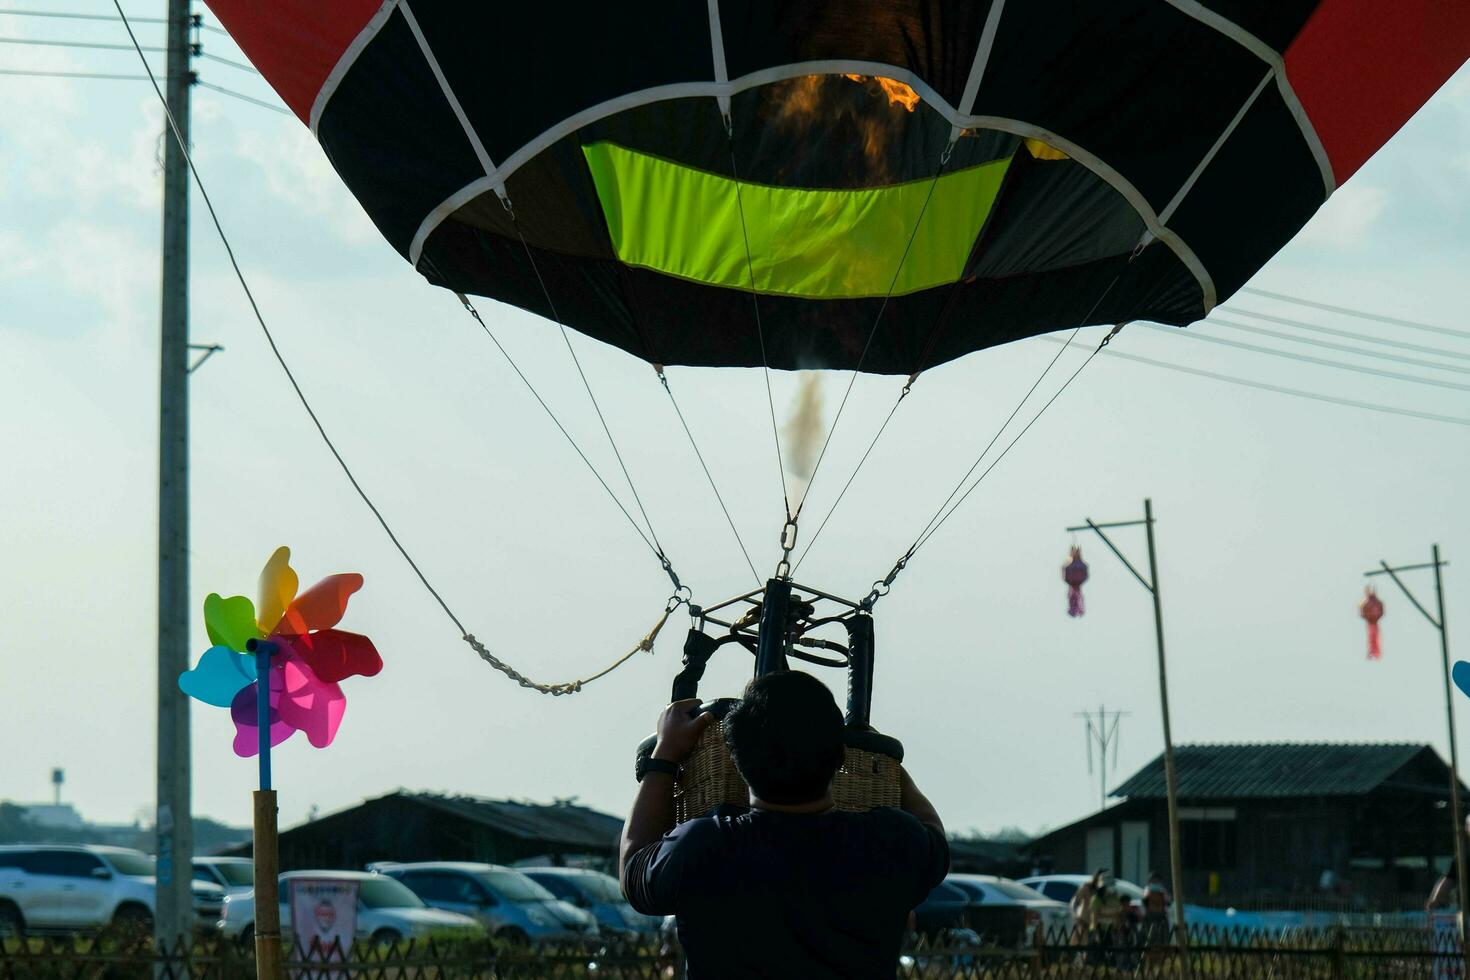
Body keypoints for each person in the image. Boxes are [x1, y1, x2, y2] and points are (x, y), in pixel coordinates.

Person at [619, 671, 949, 979]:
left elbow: (634, 869)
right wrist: (880, 756)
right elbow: (933, 831)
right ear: (842, 757)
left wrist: (664, 755)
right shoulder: (890, 841)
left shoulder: (704, 846)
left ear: (736, 760)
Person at [1142, 870, 1172, 946]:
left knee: (1163, 938)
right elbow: (1144, 900)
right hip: (1150, 916)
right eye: (1153, 880)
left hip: (1161, 916)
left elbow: (1168, 902)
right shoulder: (1147, 889)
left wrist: (1163, 892)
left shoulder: (1163, 890)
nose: (1155, 882)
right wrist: (1150, 892)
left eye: (1157, 880)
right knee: (1150, 937)